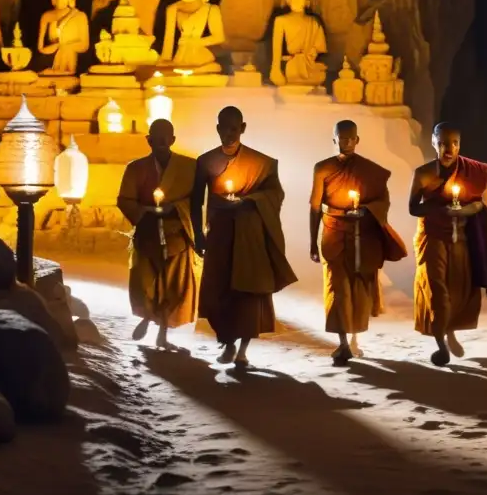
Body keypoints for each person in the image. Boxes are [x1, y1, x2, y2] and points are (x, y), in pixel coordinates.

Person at [191, 106, 298, 367]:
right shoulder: (205, 161)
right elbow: (195, 202)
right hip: (220, 235)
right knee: (219, 292)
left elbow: (276, 195)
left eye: (233, 128)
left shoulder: (262, 163)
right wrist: (198, 235)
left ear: (243, 128)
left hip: (250, 235)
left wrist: (248, 201)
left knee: (247, 294)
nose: (228, 134)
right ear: (216, 128)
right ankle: (227, 342)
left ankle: (242, 351)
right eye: (223, 128)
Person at [309, 120, 407, 365]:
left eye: (351, 138)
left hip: (363, 236)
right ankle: (342, 343)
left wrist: (366, 210)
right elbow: (314, 207)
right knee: (337, 289)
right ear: (334, 139)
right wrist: (313, 242)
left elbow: (383, 202)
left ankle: (354, 339)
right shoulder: (322, 168)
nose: (347, 143)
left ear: (357, 140)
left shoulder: (369, 170)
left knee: (358, 290)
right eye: (342, 138)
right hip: (333, 233)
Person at [409, 122, 487, 366]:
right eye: (444, 143)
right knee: (437, 290)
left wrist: (466, 209)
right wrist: (441, 209)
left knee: (458, 289)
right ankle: (440, 345)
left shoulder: (471, 171)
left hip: (460, 239)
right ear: (434, 143)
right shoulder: (424, 173)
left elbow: (480, 204)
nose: (449, 149)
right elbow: (413, 207)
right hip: (432, 237)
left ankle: (449, 331)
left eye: (455, 143)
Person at [116, 119, 200, 350]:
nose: (162, 142)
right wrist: (145, 211)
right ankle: (147, 316)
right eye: (157, 137)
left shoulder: (188, 167)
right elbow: (124, 200)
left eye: (167, 138)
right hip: (147, 234)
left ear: (173, 140)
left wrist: (177, 207)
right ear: (149, 140)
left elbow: (198, 199)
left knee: (174, 287)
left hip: (176, 236)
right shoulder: (135, 168)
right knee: (147, 284)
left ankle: (162, 333)